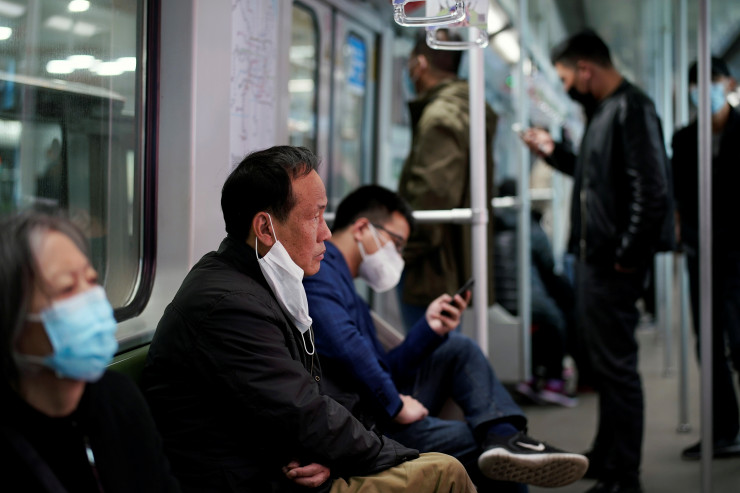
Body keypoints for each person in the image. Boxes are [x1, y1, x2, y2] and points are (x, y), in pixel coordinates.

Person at [141, 146, 476, 493]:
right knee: (445, 472)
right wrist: (392, 453)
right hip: (252, 481)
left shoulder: (260, 283)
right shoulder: (231, 306)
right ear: (265, 228)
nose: (326, 233)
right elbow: (302, 411)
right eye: (314, 217)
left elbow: (297, 402)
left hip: (273, 462)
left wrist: (325, 452)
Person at [303, 184, 589, 492]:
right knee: (486, 450)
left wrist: (430, 329)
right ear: (361, 228)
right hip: (367, 424)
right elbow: (347, 348)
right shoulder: (321, 273)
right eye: (396, 244)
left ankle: (505, 435)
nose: (398, 257)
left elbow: (383, 367)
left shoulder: (345, 283)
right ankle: (507, 442)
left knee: (457, 347)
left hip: (372, 407)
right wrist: (396, 405)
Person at [519, 29, 672, 493]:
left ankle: (625, 475)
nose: (566, 87)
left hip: (612, 264)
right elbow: (593, 176)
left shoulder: (632, 108)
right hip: (596, 260)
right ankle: (608, 454)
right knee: (604, 365)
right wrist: (555, 153)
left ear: (585, 69)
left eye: (566, 78)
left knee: (617, 368)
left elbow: (653, 191)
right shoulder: (604, 112)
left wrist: (627, 256)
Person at [0, 210, 180, 492]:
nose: (92, 299)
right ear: (12, 320)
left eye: (92, 280)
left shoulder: (118, 397)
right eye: (67, 288)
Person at [397, 30, 497, 330]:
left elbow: (433, 198)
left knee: (428, 351)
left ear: (420, 64)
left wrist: (399, 249)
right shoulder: (467, 108)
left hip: (433, 267)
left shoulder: (441, 116)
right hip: (453, 260)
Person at [672, 56, 740, 460]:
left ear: (728, 83)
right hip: (703, 253)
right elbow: (679, 197)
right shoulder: (684, 140)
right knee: (709, 344)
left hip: (738, 254)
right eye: (697, 83)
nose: (704, 89)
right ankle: (724, 430)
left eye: (711, 80)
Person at [493, 179, 581, 407]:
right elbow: (548, 266)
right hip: (528, 300)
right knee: (558, 319)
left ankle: (531, 377)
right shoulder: (529, 226)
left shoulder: (489, 226)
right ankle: (553, 381)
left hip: (497, 303)